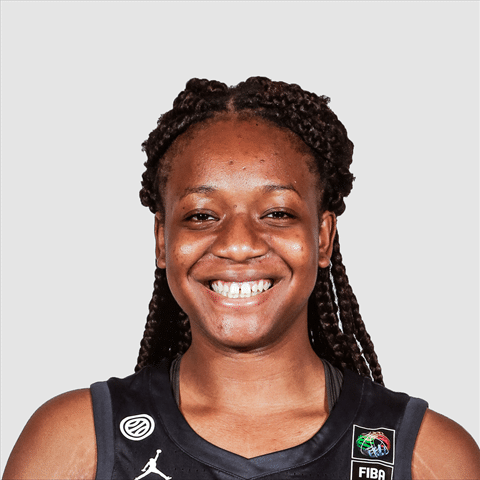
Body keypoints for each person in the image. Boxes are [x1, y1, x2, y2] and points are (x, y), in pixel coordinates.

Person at [3, 77, 479, 480]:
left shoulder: (429, 457)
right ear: (162, 240)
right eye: (201, 215)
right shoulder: (76, 444)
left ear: (322, 237)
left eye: (277, 213)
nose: (238, 244)